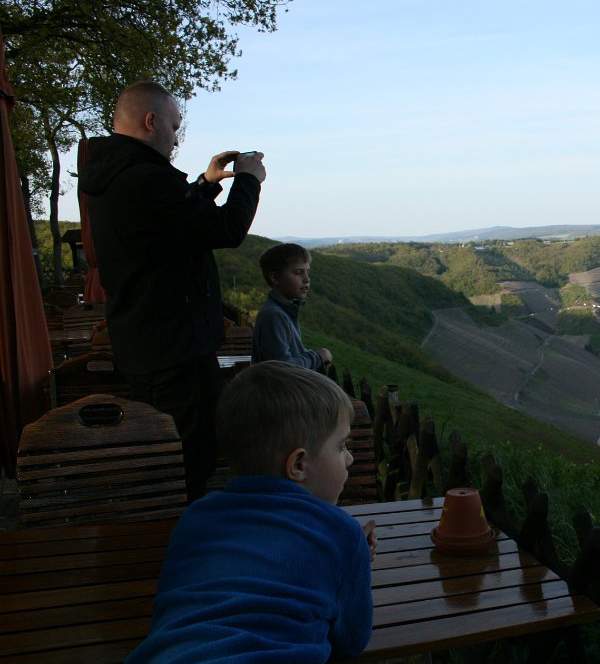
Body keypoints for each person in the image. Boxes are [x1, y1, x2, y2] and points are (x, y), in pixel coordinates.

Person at [80, 81, 266, 501]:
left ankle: (168, 532)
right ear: (151, 122)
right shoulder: (146, 177)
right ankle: (180, 544)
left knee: (160, 451)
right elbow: (224, 230)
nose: (176, 136)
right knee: (189, 458)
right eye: (175, 125)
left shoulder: (116, 176)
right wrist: (249, 181)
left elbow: (169, 228)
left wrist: (207, 182)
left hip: (143, 340)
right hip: (175, 346)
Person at [125, 361, 377, 663]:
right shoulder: (341, 533)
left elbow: (170, 609)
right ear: (298, 465)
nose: (349, 458)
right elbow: (352, 641)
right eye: (341, 446)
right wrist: (353, 558)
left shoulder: (195, 518)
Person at [252, 242, 333, 370]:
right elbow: (282, 368)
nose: (307, 279)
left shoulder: (283, 311)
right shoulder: (274, 315)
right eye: (298, 272)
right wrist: (318, 357)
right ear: (274, 277)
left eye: (307, 272)